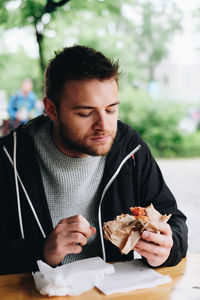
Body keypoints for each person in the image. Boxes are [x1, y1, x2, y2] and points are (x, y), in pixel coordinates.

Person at [0, 45, 188, 275]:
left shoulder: (129, 147)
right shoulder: (9, 157)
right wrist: (42, 252)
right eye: (85, 113)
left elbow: (174, 220)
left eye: (110, 110)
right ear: (51, 109)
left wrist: (168, 248)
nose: (104, 126)